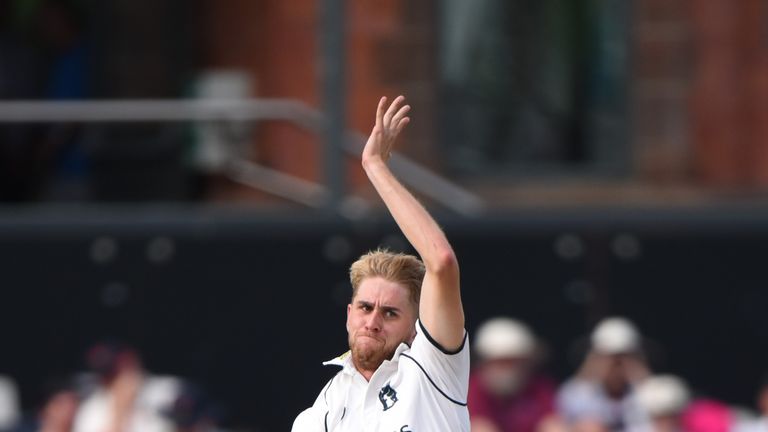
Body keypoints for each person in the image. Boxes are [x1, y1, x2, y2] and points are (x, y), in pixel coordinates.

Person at [291, 96, 469, 431]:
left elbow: (441, 260)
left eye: (390, 313)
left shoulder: (433, 370)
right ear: (348, 315)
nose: (372, 321)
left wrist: (374, 166)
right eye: (365, 307)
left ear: (417, 328)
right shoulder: (321, 412)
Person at [557, 317, 650, 432]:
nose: (616, 366)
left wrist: (641, 378)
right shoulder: (578, 391)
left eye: (622, 358)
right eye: (609, 358)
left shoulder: (646, 391)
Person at [468, 317, 558, 432]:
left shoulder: (539, 387)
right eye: (501, 362)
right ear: (485, 363)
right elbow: (480, 426)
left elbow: (553, 424)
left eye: (514, 362)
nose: (508, 370)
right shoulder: (471, 389)